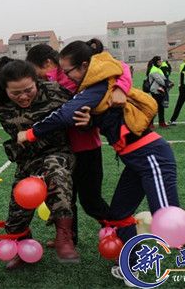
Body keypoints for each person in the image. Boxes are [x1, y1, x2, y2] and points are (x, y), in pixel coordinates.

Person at [16, 42, 185, 289]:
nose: (66, 77)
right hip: (135, 161)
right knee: (118, 215)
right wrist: (90, 120)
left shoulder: (98, 84)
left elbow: (65, 114)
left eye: (69, 72)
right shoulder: (95, 85)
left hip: (151, 156)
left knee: (168, 220)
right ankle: (132, 265)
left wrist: (31, 133)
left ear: (85, 66)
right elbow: (93, 116)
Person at [0, 58, 80, 268]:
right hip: (26, 160)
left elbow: (87, 105)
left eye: (28, 90)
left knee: (55, 173)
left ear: (36, 81)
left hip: (56, 152)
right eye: (15, 93)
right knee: (16, 215)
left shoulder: (55, 92)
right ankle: (23, 250)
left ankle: (64, 236)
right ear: (5, 90)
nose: (23, 96)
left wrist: (90, 120)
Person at [25, 42, 132, 246]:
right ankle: (69, 238)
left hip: (87, 149)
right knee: (66, 199)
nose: (36, 75)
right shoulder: (48, 81)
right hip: (62, 151)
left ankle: (119, 235)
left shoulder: (74, 72)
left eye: (36, 70)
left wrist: (120, 88)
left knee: (91, 201)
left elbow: (121, 68)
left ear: (48, 63)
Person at [169, 51, 185, 126]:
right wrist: (179, 85)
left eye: (184, 56)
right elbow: (181, 76)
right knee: (179, 104)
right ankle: (173, 120)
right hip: (182, 88)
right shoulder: (182, 65)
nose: (182, 58)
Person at [146, 56, 169, 128]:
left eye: (161, 61)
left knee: (160, 107)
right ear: (156, 62)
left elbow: (164, 79)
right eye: (159, 61)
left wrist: (167, 82)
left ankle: (161, 122)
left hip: (160, 91)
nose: (161, 62)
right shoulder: (154, 70)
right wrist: (168, 83)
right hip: (156, 91)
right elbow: (161, 80)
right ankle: (150, 124)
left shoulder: (158, 69)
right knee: (155, 108)